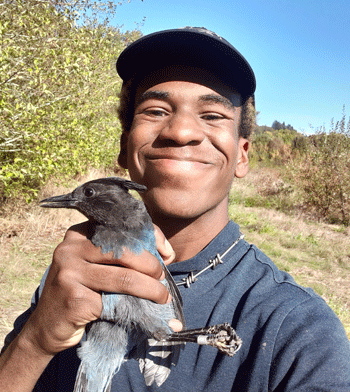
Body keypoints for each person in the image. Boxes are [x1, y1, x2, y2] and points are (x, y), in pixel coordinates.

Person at [1, 27, 350, 392]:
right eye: (155, 110)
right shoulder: (67, 275)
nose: (181, 131)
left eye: (213, 115)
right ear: (124, 146)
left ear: (242, 154)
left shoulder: (296, 328)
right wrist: (35, 341)